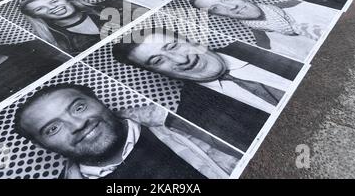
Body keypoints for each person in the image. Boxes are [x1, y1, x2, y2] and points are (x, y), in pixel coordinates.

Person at [112, 28, 300, 151]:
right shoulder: (196, 114)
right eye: (158, 61)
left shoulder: (261, 44)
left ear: (191, 40)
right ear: (157, 72)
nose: (181, 60)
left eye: (173, 46)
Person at [13, 84, 242, 179]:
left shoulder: (186, 115)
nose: (78, 124)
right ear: (42, 145)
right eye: (53, 128)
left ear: (99, 101)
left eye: (79, 107)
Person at [189, 0, 335, 61]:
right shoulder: (268, 46)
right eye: (216, 8)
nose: (232, 6)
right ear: (217, 16)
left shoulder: (301, 2)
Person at [19, 0, 132, 55]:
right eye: (40, 9)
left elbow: (136, 7)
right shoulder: (61, 42)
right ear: (37, 17)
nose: (53, 7)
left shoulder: (103, 8)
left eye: (54, 1)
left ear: (66, 0)